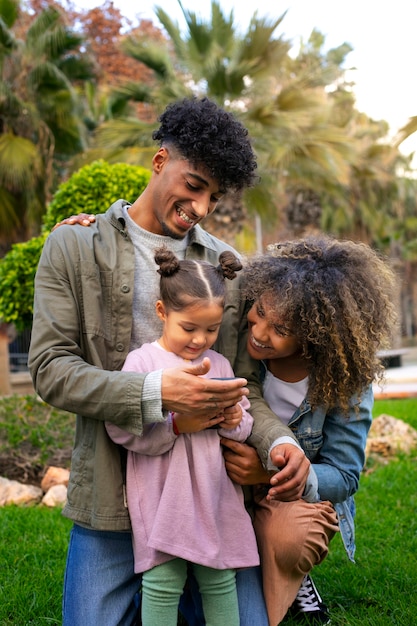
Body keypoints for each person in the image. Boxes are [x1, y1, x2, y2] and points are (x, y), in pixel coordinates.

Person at [28, 96, 310, 626]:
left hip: (204, 495)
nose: (201, 207)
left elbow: (244, 384)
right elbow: (48, 367)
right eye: (195, 185)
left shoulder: (227, 267)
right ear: (160, 162)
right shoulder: (73, 246)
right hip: (111, 499)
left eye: (214, 196)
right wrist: (156, 395)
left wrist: (279, 443)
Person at [222, 235, 397, 625]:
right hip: (228, 479)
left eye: (281, 328)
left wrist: (270, 473)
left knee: (288, 540)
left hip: (290, 495)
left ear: (316, 336)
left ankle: (292, 575)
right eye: (261, 310)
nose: (260, 331)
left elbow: (346, 473)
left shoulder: (345, 379)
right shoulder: (235, 341)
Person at [105, 247, 259, 625]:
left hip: (211, 490)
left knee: (219, 576)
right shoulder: (142, 363)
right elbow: (120, 427)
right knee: (162, 577)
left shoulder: (219, 364)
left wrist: (234, 418)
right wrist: (175, 425)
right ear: (162, 312)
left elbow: (242, 428)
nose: (199, 339)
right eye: (188, 328)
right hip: (163, 492)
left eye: (211, 329)